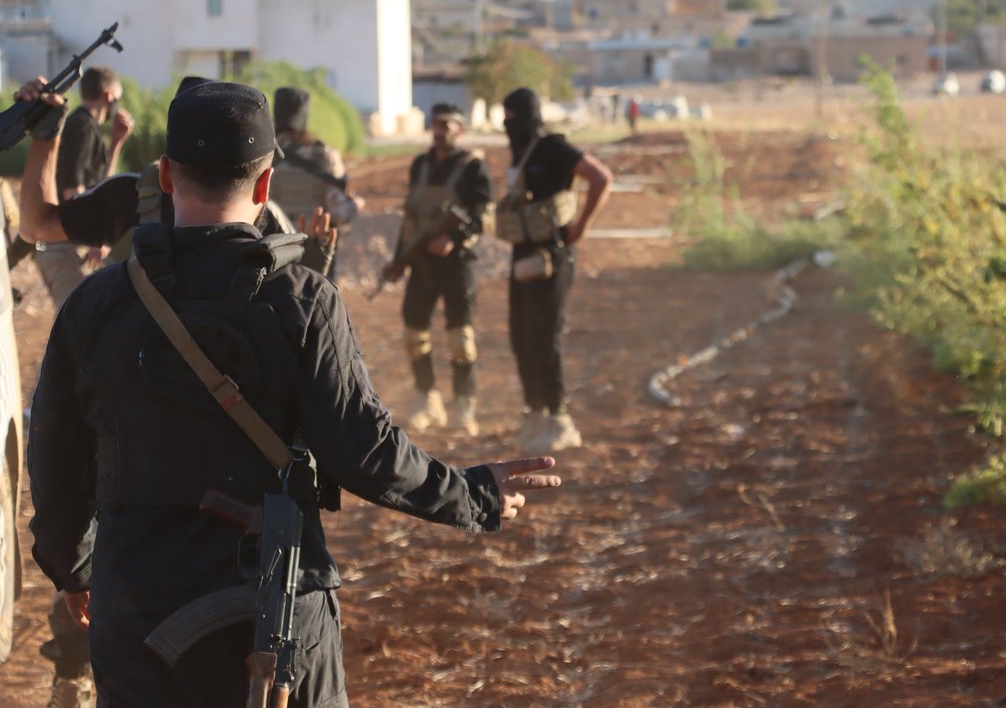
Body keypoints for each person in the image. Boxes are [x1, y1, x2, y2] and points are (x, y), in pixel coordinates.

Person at [18, 78, 560, 707]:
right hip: (272, 612)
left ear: (165, 176)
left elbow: (54, 460)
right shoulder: (302, 299)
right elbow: (366, 451)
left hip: (137, 612)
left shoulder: (94, 305)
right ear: (266, 183)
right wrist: (473, 495)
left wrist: (74, 568)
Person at [19, 76, 336, 277]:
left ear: (166, 173)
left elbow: (36, 226)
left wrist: (46, 135)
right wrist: (313, 279)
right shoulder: (273, 226)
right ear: (263, 185)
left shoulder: (127, 196)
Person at [496, 88, 612, 452]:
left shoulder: (552, 149)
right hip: (522, 254)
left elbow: (600, 177)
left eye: (513, 116)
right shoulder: (519, 153)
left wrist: (581, 227)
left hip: (552, 254)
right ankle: (535, 413)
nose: (507, 124)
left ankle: (560, 419)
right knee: (521, 335)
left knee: (545, 335)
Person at [381, 104, 493, 435]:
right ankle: (427, 400)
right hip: (421, 264)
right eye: (436, 123)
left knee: (461, 338)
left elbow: (483, 215)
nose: (439, 130)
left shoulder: (474, 167)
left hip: (457, 264)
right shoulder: (421, 165)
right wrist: (399, 260)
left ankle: (463, 407)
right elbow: (411, 218)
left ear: (460, 129)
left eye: (446, 124)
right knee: (414, 335)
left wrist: (454, 239)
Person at [36, 66, 134, 309]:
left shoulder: (88, 127)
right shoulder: (82, 126)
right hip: (65, 244)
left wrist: (116, 144)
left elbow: (101, 190)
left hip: (71, 241)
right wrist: (93, 236)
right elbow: (72, 188)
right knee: (75, 330)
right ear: (109, 95)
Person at [269, 86, 362, 277]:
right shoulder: (323, 155)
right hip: (314, 254)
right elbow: (339, 214)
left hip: (272, 254)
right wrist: (355, 206)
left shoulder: (261, 154)